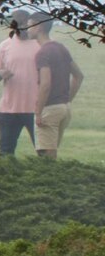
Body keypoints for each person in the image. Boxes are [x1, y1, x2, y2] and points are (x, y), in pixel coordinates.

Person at [0, 10, 43, 156]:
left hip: (36, 109)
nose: (21, 27)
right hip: (9, 109)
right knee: (5, 153)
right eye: (17, 23)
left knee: (43, 152)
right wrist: (1, 73)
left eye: (25, 23)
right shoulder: (5, 45)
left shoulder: (39, 45)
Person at [33, 17, 83, 159]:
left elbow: (45, 84)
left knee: (46, 156)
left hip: (49, 109)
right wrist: (67, 100)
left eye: (30, 25)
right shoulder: (60, 48)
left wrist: (38, 112)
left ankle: (48, 181)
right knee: (52, 152)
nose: (27, 29)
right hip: (64, 108)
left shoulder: (42, 53)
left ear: (39, 28)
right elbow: (79, 76)